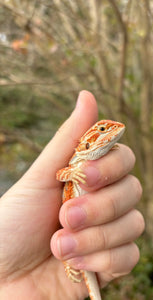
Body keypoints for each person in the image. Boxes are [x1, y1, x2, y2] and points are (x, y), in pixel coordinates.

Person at [0, 91, 144, 300]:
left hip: (61, 249)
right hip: (61, 236)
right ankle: (69, 263)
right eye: (102, 129)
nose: (109, 131)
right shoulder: (75, 160)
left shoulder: (92, 161)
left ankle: (70, 261)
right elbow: (60, 174)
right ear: (87, 142)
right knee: (73, 233)